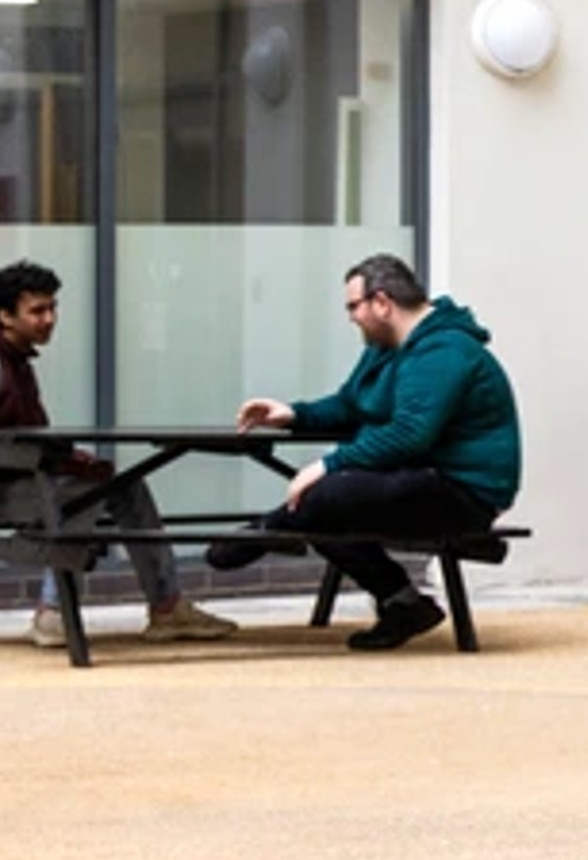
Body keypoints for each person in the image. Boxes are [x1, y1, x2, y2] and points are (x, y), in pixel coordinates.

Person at [206, 255, 522, 652]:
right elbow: (350, 404)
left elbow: (410, 435)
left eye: (354, 306)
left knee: (325, 497)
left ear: (383, 303)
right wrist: (293, 415)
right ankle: (403, 604)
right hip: (418, 476)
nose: (351, 317)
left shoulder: (445, 351)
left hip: (463, 490)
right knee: (321, 503)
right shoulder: (387, 348)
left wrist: (327, 464)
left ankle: (269, 530)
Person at [0, 261, 236, 650]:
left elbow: (33, 442)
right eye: (37, 311)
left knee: (121, 483)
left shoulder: (16, 363)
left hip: (10, 483)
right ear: (4, 316)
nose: (50, 319)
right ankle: (52, 613)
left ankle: (166, 607)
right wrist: (68, 467)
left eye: (53, 308)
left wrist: (75, 462)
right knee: (80, 492)